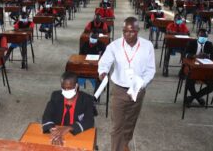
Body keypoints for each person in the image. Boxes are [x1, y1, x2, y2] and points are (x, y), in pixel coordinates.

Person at [98, 17, 156, 151]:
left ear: (138, 30)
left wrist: (140, 85)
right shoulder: (115, 45)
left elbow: (150, 70)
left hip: (138, 88)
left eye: (131, 32)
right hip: (119, 90)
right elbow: (104, 62)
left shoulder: (147, 46)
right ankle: (116, 148)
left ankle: (125, 142)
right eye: (124, 31)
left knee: (131, 120)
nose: (127, 35)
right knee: (117, 125)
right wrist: (103, 72)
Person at [42, 72, 95, 146]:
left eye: (69, 88)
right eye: (63, 88)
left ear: (76, 86)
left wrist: (69, 128)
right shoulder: (56, 96)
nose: (66, 90)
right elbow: (47, 115)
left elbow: (89, 121)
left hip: (76, 133)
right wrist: (53, 130)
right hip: (57, 130)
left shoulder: (86, 99)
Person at [183, 28, 213, 107]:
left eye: (205, 36)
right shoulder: (192, 43)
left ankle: (191, 98)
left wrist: (207, 55)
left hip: (204, 71)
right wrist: (195, 56)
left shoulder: (208, 44)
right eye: (201, 36)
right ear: (198, 36)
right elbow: (184, 54)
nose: (203, 38)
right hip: (191, 69)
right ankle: (198, 99)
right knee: (189, 82)